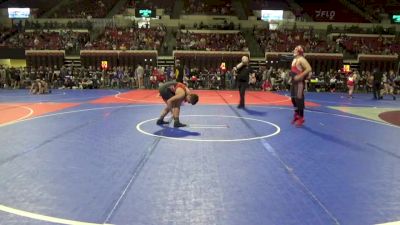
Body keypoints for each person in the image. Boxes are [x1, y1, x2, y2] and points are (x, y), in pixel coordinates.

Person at [289, 45, 312, 127]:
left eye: (295, 49)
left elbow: (309, 68)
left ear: (299, 51)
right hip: (294, 82)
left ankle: (301, 118)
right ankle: (296, 114)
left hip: (299, 82)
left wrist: (300, 76)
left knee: (299, 99)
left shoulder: (301, 59)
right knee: (293, 99)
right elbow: (293, 70)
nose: (294, 50)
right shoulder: (295, 59)